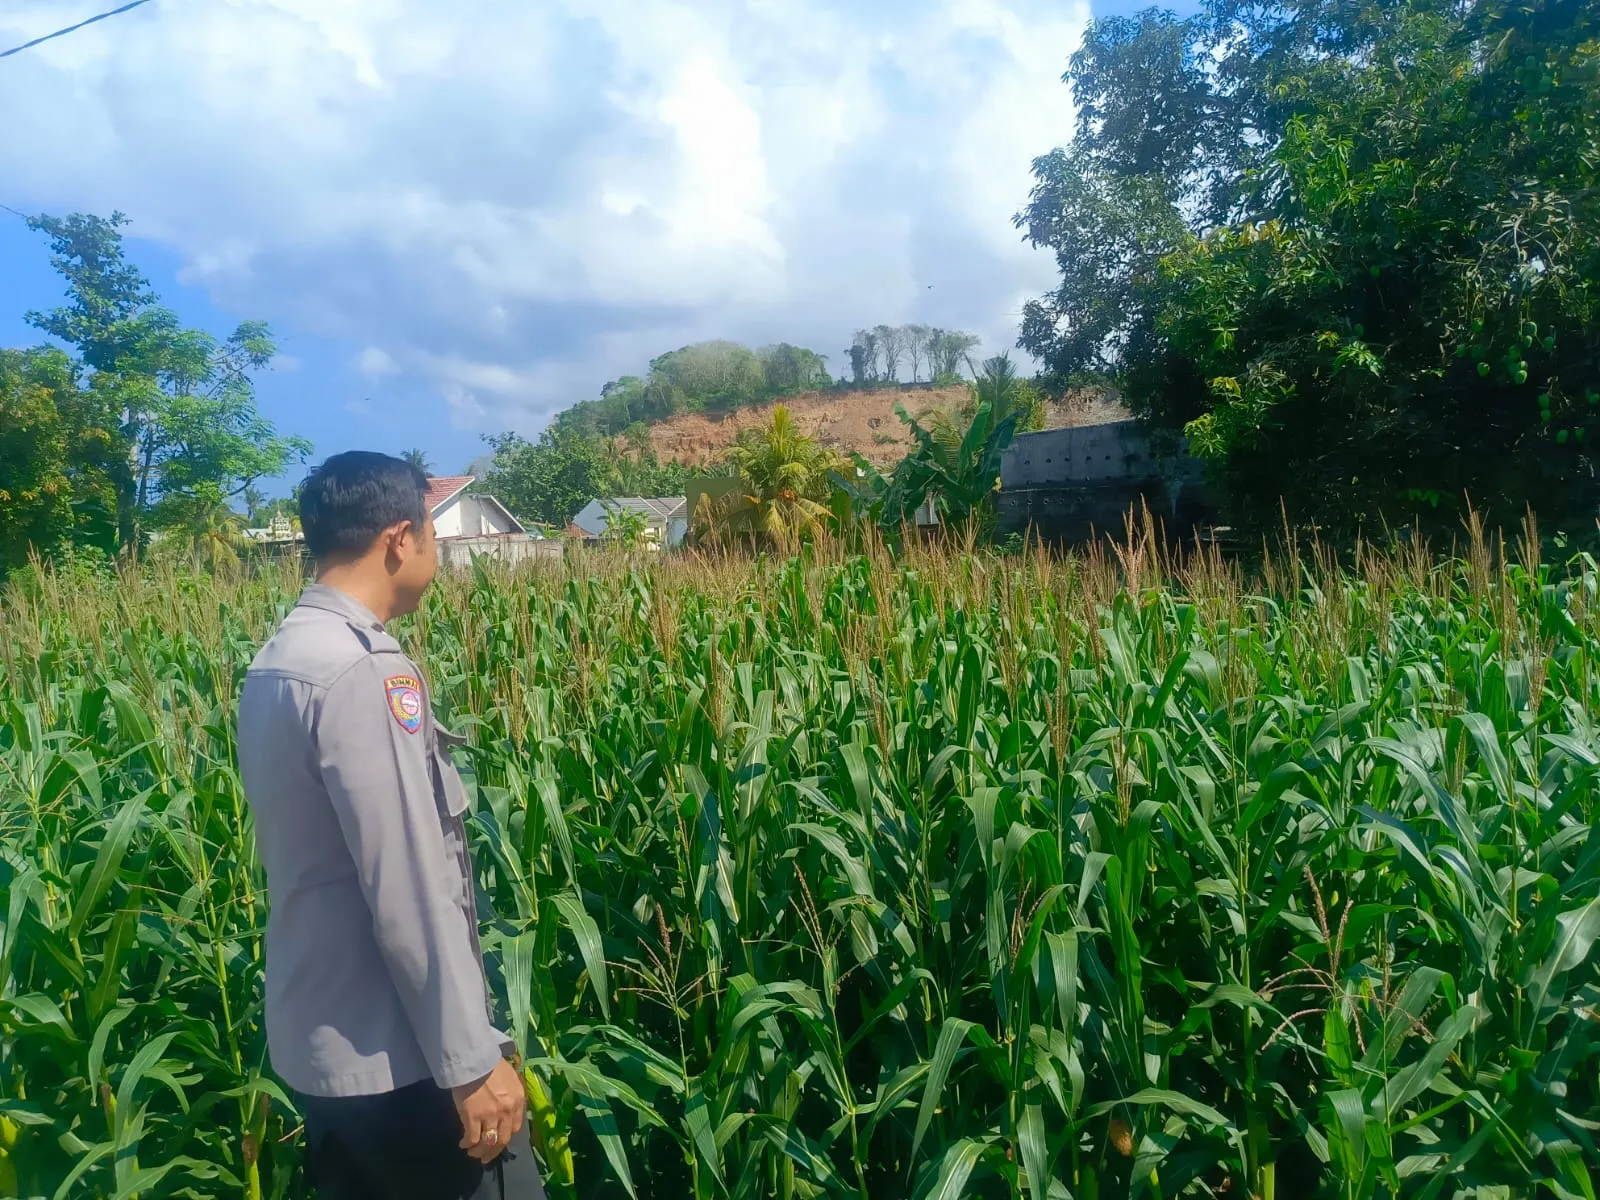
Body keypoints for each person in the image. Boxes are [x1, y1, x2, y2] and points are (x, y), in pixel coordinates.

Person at [237, 451, 545, 1199]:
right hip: (402, 1062)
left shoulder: (277, 662)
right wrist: (471, 1061)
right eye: (435, 539)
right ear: (400, 538)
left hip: (325, 1052)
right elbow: (407, 882)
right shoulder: (364, 671)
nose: (434, 558)